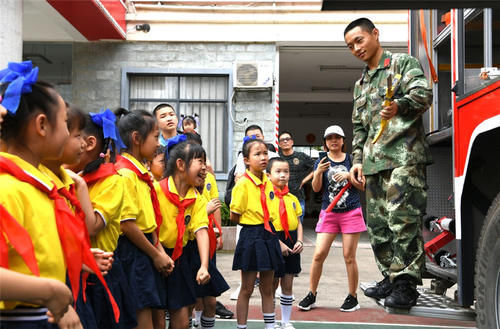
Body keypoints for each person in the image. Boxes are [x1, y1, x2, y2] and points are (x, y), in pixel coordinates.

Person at [344, 17, 432, 309]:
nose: (356, 48)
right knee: (378, 225)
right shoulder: (360, 84)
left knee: (402, 220)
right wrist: (356, 161)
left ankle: (406, 284)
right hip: (372, 163)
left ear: (375, 34)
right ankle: (391, 276)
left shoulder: (402, 64)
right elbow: (359, 128)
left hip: (403, 158)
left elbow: (423, 95)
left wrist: (400, 105)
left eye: (359, 40)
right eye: (350, 46)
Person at [0, 61, 83, 329]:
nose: (70, 134)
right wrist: (50, 291)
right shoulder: (8, 188)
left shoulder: (36, 184)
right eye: (66, 123)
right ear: (42, 125)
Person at [66, 109, 138, 329]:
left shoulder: (112, 180)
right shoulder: (69, 174)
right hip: (74, 269)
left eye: (69, 134)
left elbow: (92, 226)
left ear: (88, 143)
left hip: (101, 274)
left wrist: (79, 187)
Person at [114, 108, 174, 329]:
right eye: (156, 137)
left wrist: (158, 250)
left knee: (154, 313)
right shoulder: (125, 174)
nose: (159, 143)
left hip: (146, 247)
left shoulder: (141, 172)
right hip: (133, 251)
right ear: (137, 139)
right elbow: (127, 224)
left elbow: (148, 219)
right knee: (141, 317)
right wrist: (155, 254)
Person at [298, 125, 366, 313]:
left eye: (337, 137)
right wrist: (318, 172)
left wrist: (348, 175)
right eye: (329, 138)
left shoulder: (352, 160)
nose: (333, 141)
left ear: (343, 141)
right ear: (325, 143)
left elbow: (362, 186)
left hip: (351, 211)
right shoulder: (322, 161)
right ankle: (311, 294)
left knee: (349, 256)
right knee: (319, 254)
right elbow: (317, 189)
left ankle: (353, 297)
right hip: (329, 212)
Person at [155, 139, 211, 329]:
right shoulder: (156, 190)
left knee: (181, 321)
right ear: (180, 164)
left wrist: (204, 266)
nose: (205, 168)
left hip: (180, 259)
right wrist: (160, 254)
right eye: (200, 162)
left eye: (205, 162)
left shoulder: (197, 198)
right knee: (157, 320)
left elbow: (201, 230)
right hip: (154, 255)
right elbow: (148, 228)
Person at [230, 138, 284, 329]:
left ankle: (270, 326)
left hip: (268, 234)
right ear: (246, 160)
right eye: (257, 154)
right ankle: (242, 327)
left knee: (268, 287)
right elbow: (234, 215)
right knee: (246, 287)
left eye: (265, 153)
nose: (263, 157)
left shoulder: (268, 182)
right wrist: (252, 222)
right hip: (251, 235)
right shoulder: (243, 184)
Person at [183, 133, 233, 326]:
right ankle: (192, 322)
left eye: (202, 160)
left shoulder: (208, 179)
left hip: (206, 241)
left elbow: (215, 206)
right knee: (190, 299)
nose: (202, 166)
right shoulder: (177, 190)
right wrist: (205, 210)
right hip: (188, 247)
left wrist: (218, 231)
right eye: (196, 160)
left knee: (210, 299)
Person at [267, 158, 304, 329]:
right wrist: (278, 244)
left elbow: (299, 222)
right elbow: (265, 223)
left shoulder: (293, 198)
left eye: (286, 172)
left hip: (292, 240)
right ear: (268, 175)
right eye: (278, 171)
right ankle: (272, 321)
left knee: (287, 284)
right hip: (274, 240)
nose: (283, 175)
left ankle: (286, 321)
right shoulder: (266, 198)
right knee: (273, 284)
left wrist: (300, 240)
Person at [277, 131, 314, 222]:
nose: (285, 141)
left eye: (287, 139)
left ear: (292, 142)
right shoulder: (277, 158)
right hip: (280, 199)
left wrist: (304, 180)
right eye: (282, 140)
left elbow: (316, 167)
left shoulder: (301, 156)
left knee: (298, 226)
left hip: (298, 198)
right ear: (279, 144)